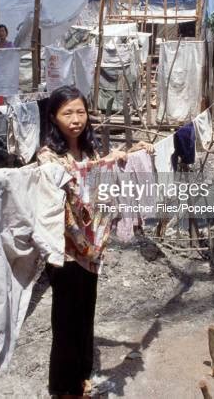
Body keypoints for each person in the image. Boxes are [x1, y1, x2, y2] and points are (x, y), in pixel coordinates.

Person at [37, 86, 152, 399]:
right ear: (53, 117)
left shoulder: (88, 152)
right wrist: (102, 165)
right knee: (65, 320)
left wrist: (124, 158)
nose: (75, 119)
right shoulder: (47, 156)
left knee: (86, 313)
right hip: (63, 251)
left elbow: (98, 179)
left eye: (80, 112)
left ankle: (82, 376)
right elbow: (70, 180)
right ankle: (62, 387)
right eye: (67, 113)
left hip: (91, 249)